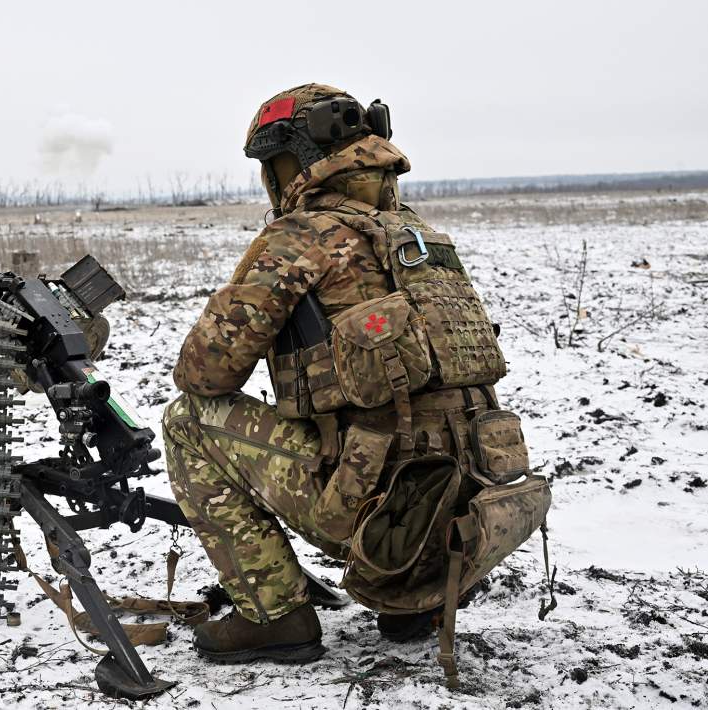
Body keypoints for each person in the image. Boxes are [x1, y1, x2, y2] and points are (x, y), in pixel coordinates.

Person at [162, 83, 536, 668]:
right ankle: (412, 602)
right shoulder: (417, 235)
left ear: (294, 162)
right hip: (463, 506)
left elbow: (204, 375)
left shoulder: (300, 236)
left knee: (188, 421)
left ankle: (274, 615)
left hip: (374, 505)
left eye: (273, 164)